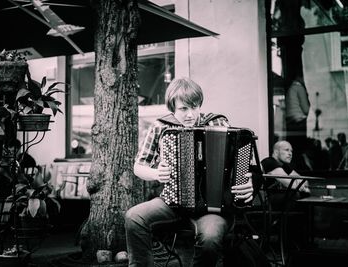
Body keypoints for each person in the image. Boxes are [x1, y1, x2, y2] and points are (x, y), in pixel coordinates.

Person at [124, 77, 255, 267]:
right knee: (134, 217)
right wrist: (155, 174)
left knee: (210, 237)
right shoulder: (160, 127)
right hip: (172, 203)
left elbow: (244, 166)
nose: (190, 115)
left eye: (194, 107)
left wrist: (248, 182)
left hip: (213, 208)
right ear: (172, 108)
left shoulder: (218, 123)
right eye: (183, 109)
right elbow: (138, 167)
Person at [261, 140, 310, 210]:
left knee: (302, 195)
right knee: (294, 194)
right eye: (287, 150)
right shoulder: (270, 162)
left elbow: (305, 181)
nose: (290, 153)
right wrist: (302, 187)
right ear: (276, 152)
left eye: (291, 151)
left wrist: (300, 186)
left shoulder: (284, 166)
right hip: (266, 201)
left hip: (277, 199)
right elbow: (290, 184)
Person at [285, 75, 310, 168]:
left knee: (294, 148)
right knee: (301, 148)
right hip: (299, 120)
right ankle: (305, 166)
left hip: (290, 121)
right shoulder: (299, 88)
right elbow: (306, 108)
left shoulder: (291, 88)